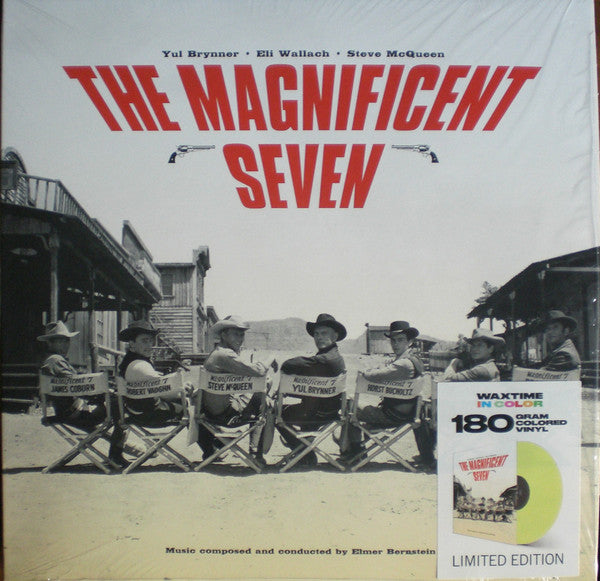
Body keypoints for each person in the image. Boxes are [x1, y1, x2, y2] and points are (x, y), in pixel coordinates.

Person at [341, 320, 435, 469]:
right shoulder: (414, 361)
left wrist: (368, 371)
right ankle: (354, 448)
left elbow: (370, 376)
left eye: (400, 340)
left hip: (393, 415)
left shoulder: (403, 364)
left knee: (350, 407)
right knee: (355, 407)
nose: (395, 344)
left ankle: (354, 451)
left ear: (410, 342)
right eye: (393, 340)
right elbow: (385, 370)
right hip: (407, 412)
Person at [38, 320, 128, 467]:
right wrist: (101, 394)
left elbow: (73, 385)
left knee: (114, 403)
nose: (66, 345)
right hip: (76, 414)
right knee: (120, 406)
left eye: (67, 341)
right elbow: (78, 386)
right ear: (50, 343)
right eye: (61, 341)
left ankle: (119, 451)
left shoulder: (49, 361)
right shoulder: (56, 361)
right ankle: (116, 454)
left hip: (67, 411)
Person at [198, 315, 277, 467]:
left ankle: (212, 449)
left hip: (209, 413)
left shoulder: (217, 353)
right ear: (223, 335)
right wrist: (271, 358)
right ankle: (255, 453)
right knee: (264, 398)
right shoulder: (225, 355)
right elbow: (258, 371)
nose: (240, 339)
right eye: (236, 334)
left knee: (260, 389)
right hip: (227, 414)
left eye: (242, 335)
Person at [277, 313, 347, 467]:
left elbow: (289, 365)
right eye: (316, 334)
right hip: (327, 410)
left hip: (317, 413)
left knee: (275, 412)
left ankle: (303, 452)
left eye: (324, 333)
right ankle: (304, 450)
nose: (319, 337)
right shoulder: (334, 356)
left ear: (335, 336)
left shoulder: (325, 359)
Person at [118, 319, 186, 426]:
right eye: (145, 341)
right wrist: (185, 389)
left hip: (137, 412)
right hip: (150, 415)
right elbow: (167, 392)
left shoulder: (129, 362)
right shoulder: (139, 366)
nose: (150, 345)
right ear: (132, 345)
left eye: (151, 341)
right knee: (193, 408)